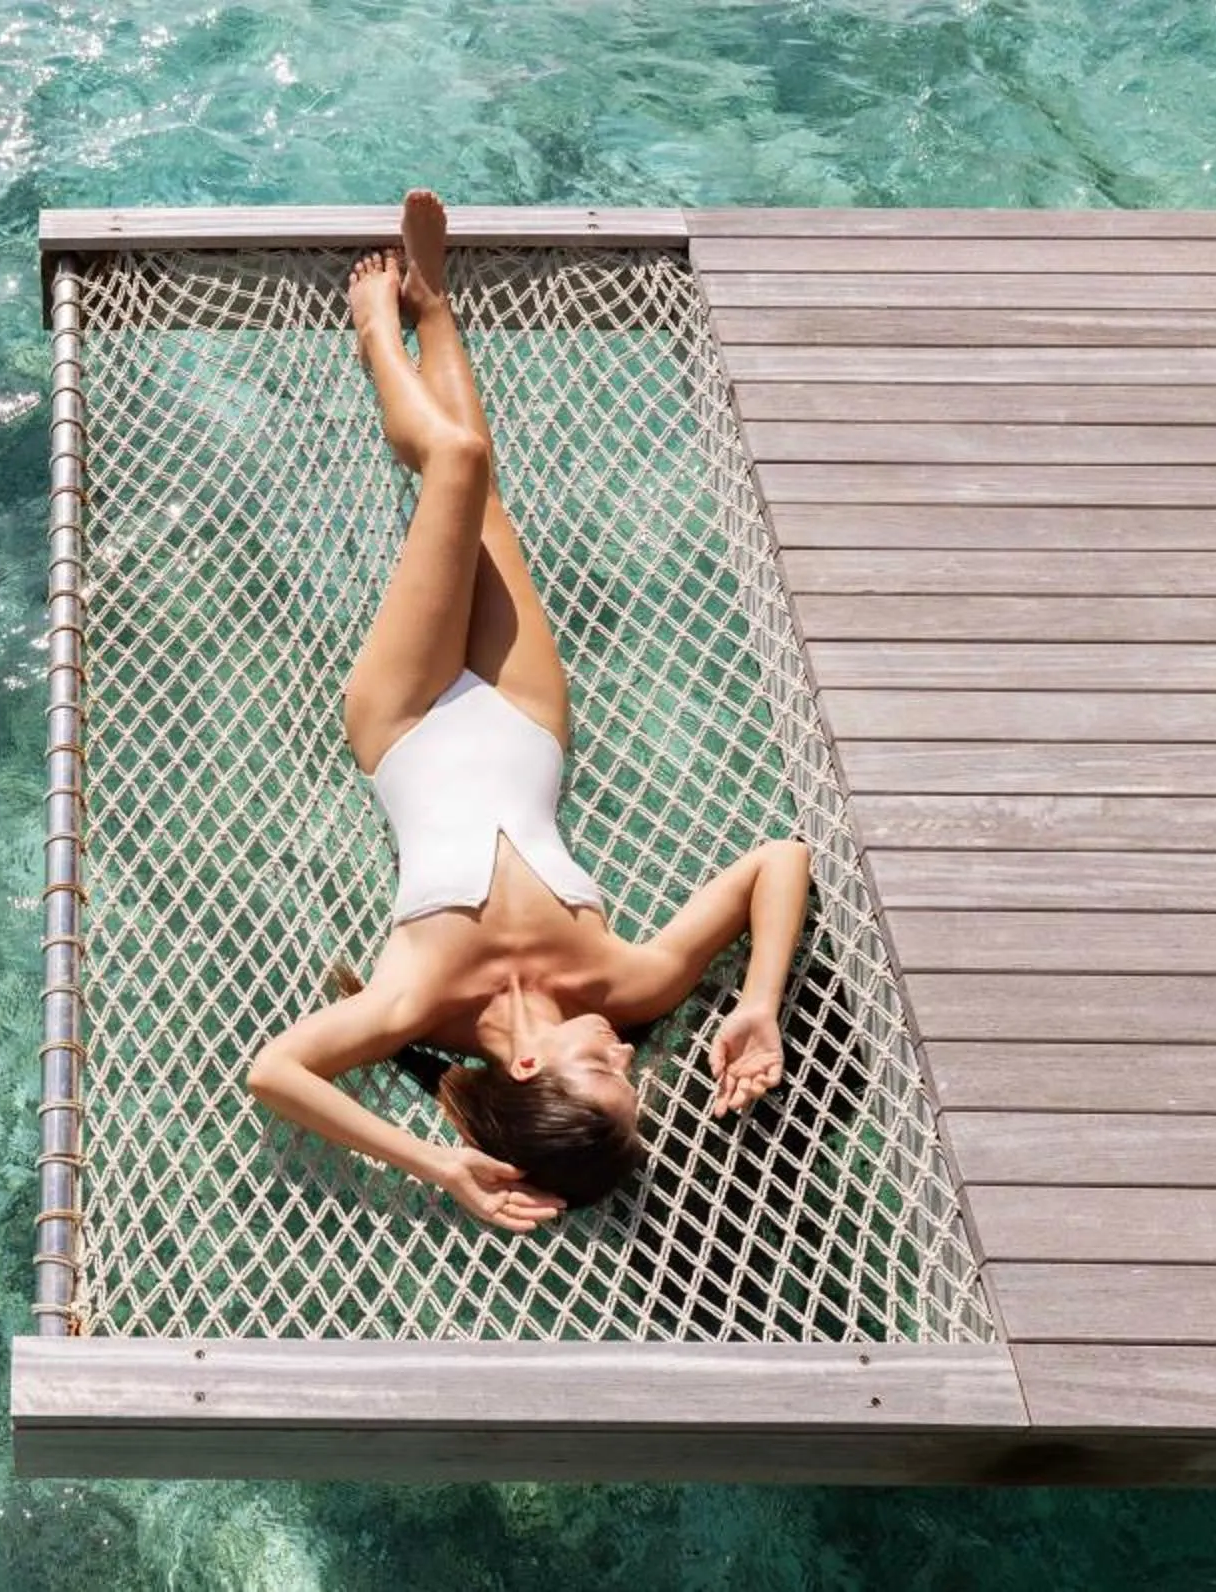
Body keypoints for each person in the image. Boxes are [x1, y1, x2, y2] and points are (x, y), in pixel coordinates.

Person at [242, 190, 814, 1233]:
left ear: (528, 1062)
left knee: (452, 467)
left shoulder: (418, 1007)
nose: (632, 1048)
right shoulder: (628, 980)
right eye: (631, 1067)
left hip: (406, 719)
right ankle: (436, 305)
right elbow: (780, 854)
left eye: (606, 1067)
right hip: (523, 719)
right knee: (481, 487)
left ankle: (380, 333)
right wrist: (758, 1000)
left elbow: (274, 1069)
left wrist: (439, 1162)